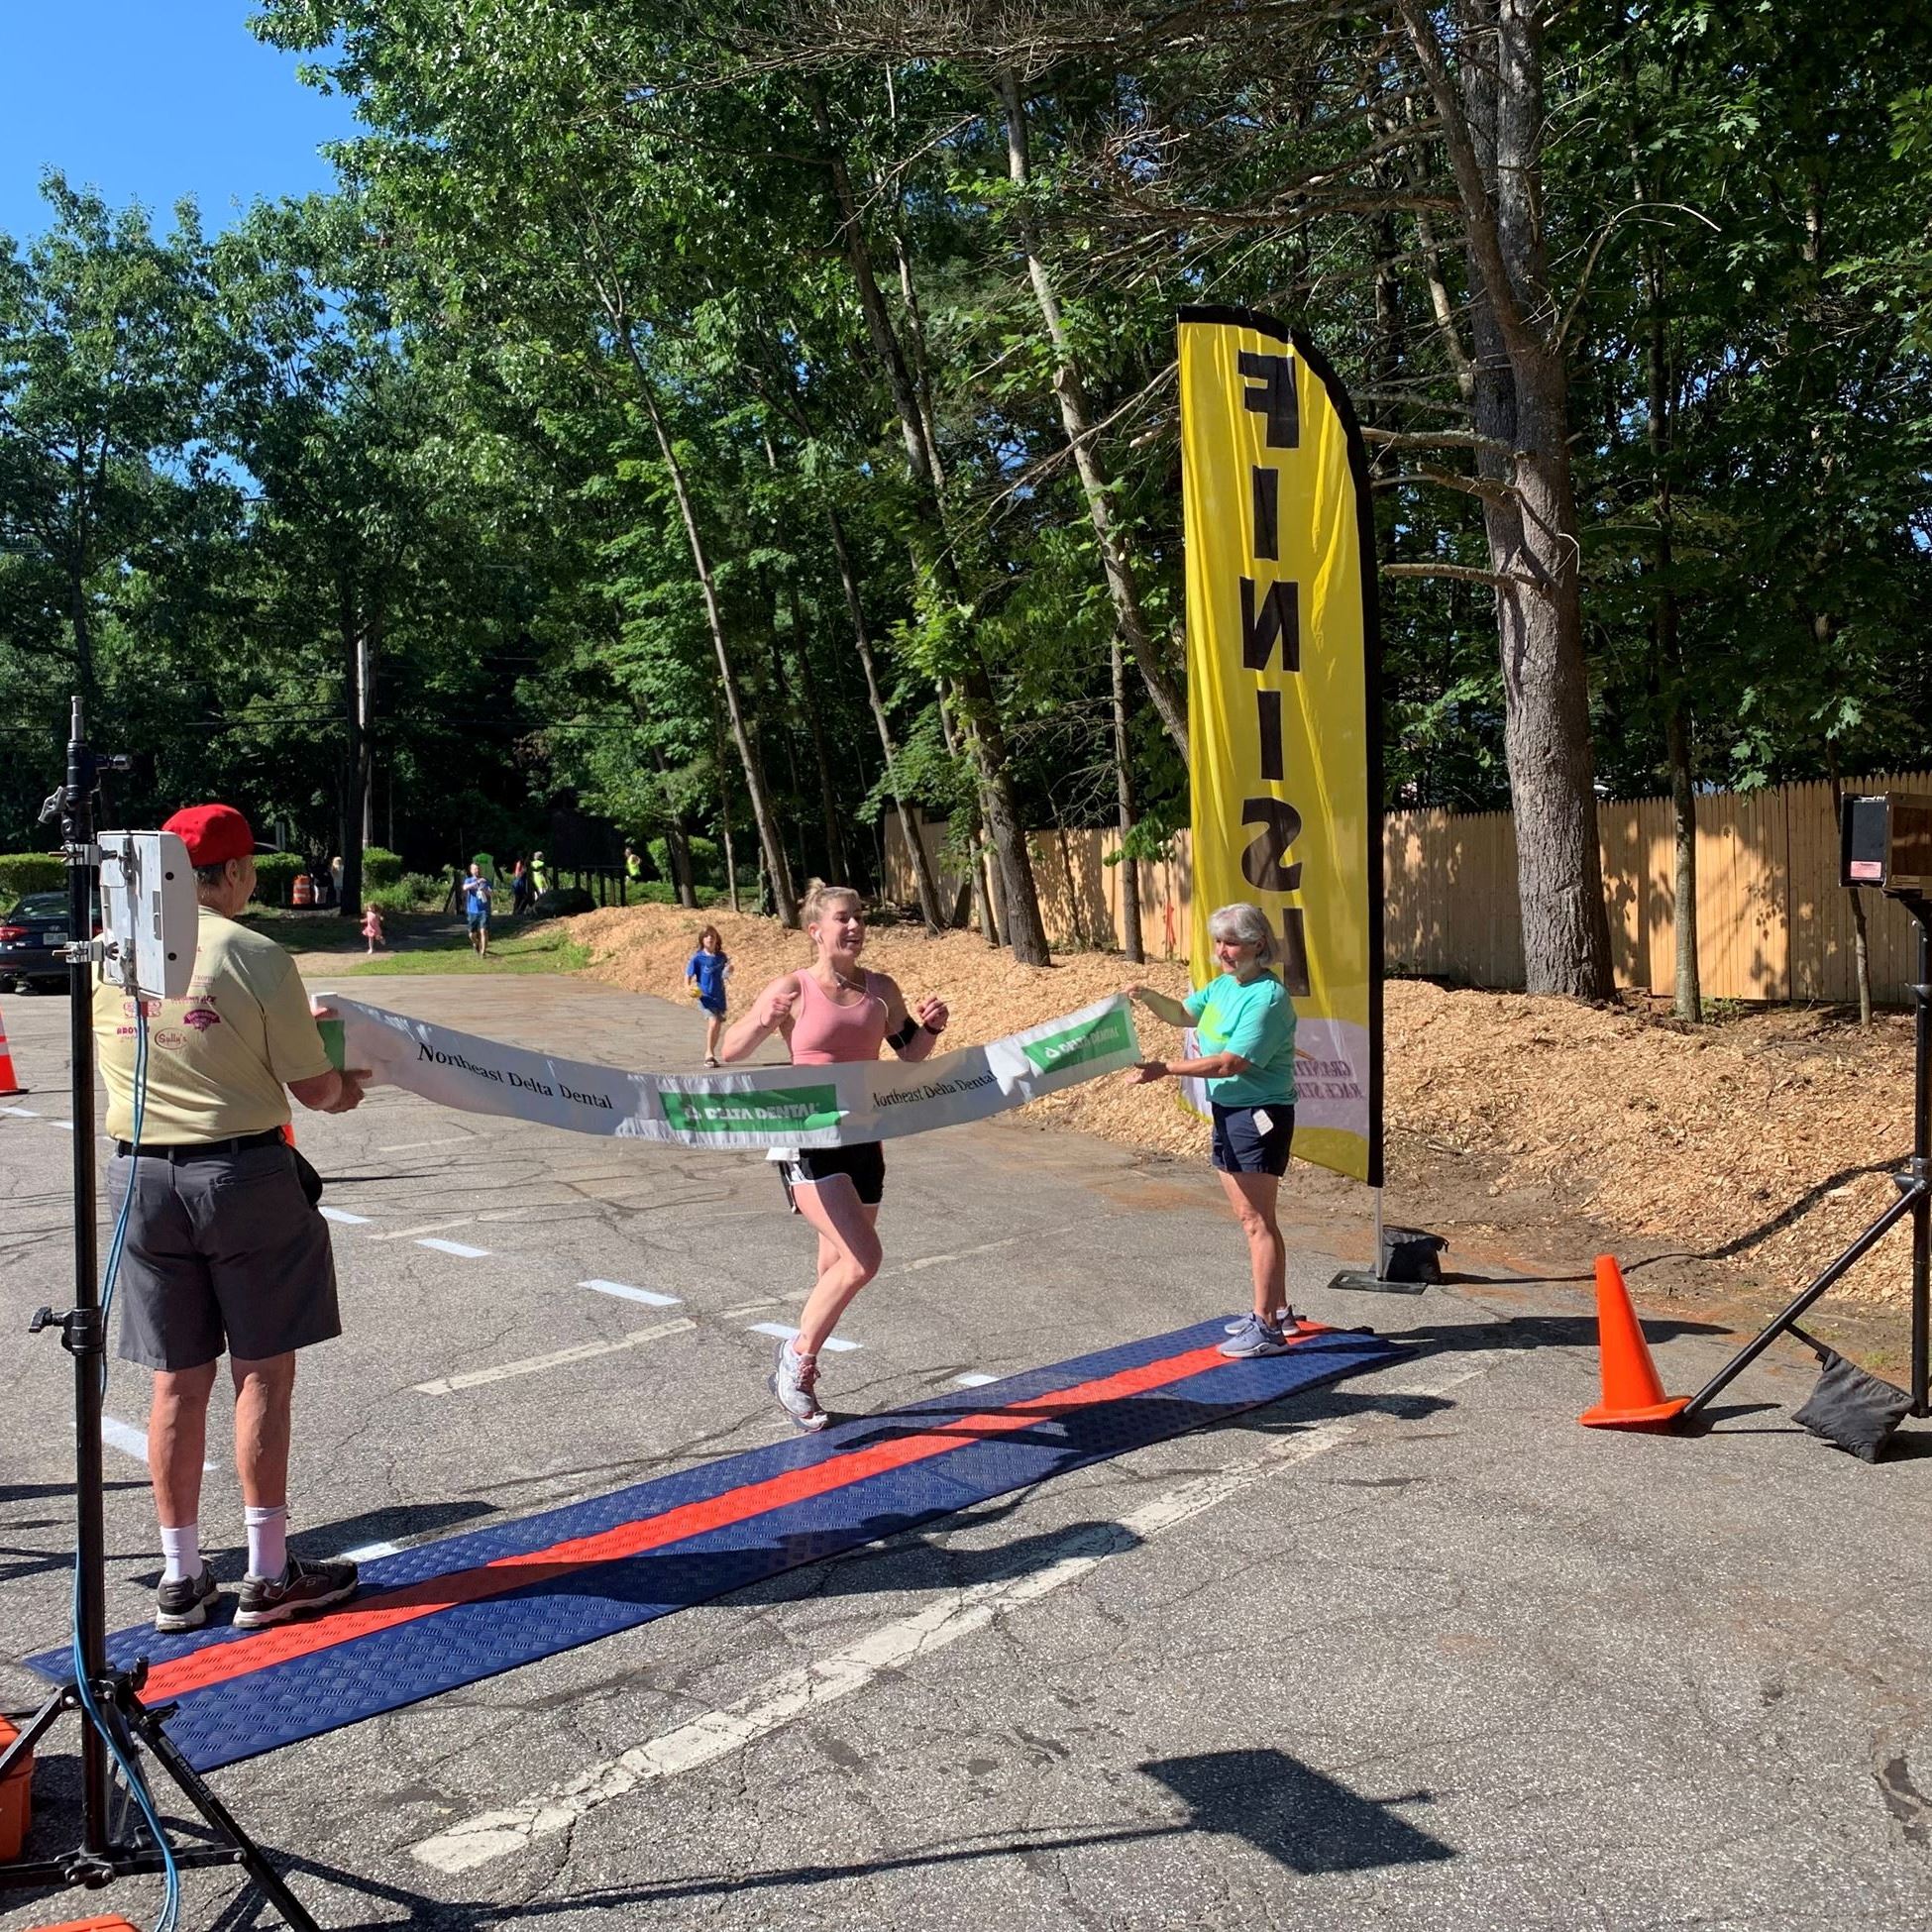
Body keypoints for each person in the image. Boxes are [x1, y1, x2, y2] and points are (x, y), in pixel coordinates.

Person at [93, 804, 373, 1632]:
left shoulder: (114, 957)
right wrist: (353, 1069)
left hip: (139, 1175)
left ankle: (181, 1577)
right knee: (262, 1371)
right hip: (240, 1172)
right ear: (239, 873)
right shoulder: (253, 954)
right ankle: (268, 1570)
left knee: (175, 1380)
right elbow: (319, 1092)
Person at [720, 882, 948, 1431]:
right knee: (862, 1259)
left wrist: (933, 1028)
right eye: (843, 919)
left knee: (833, 1265)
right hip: (809, 1137)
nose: (854, 928)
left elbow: (909, 1055)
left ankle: (804, 1362)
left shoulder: (881, 989)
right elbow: (729, 1052)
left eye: (860, 919)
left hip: (865, 1138)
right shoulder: (793, 989)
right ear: (815, 931)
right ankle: (795, 1362)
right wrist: (761, 1019)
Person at [1123, 901, 1304, 1357]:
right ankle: (1277, 1310)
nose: (1223, 951)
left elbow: (1230, 1063)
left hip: (1259, 1115)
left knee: (1255, 1222)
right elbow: (1184, 1013)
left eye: (1233, 942)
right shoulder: (1225, 986)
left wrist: (1164, 1068)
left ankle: (1266, 1328)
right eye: (1219, 942)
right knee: (1257, 1220)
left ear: (1258, 944)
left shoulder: (1268, 997)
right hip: (1231, 1112)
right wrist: (1147, 996)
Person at [685, 923, 732, 1066]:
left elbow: (725, 974)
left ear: (717, 939)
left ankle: (711, 1052)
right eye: (706, 936)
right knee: (714, 1022)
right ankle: (708, 1054)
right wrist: (687, 987)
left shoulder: (721, 957)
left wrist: (729, 970)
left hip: (719, 996)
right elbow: (688, 975)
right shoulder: (697, 958)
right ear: (702, 940)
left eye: (712, 935)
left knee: (717, 1026)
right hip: (705, 997)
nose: (710, 938)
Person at [462, 861, 493, 956]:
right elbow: (464, 888)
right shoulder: (469, 880)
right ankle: (476, 943)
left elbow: (491, 894)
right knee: (471, 934)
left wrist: (484, 889)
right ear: (471, 871)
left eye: (478, 869)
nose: (477, 870)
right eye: (475, 869)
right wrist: (476, 882)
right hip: (472, 910)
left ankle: (483, 952)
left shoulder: (485, 880)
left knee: (483, 931)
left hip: (483, 910)